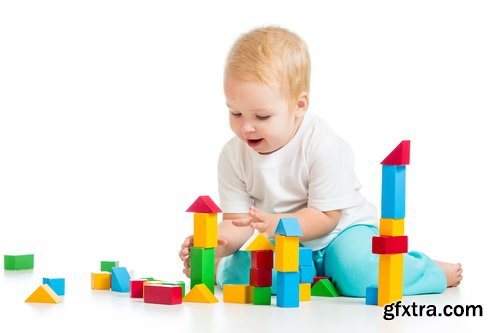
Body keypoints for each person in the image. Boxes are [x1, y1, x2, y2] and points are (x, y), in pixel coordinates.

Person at [179, 26, 462, 297]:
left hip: (342, 233)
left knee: (362, 276)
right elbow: (236, 221)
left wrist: (277, 223)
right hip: (287, 243)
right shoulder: (232, 155)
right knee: (241, 276)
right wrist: (217, 245)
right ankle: (254, 269)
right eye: (236, 113)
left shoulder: (322, 145)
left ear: (299, 106)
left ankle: (428, 271)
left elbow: (326, 218)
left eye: (262, 117)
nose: (246, 128)